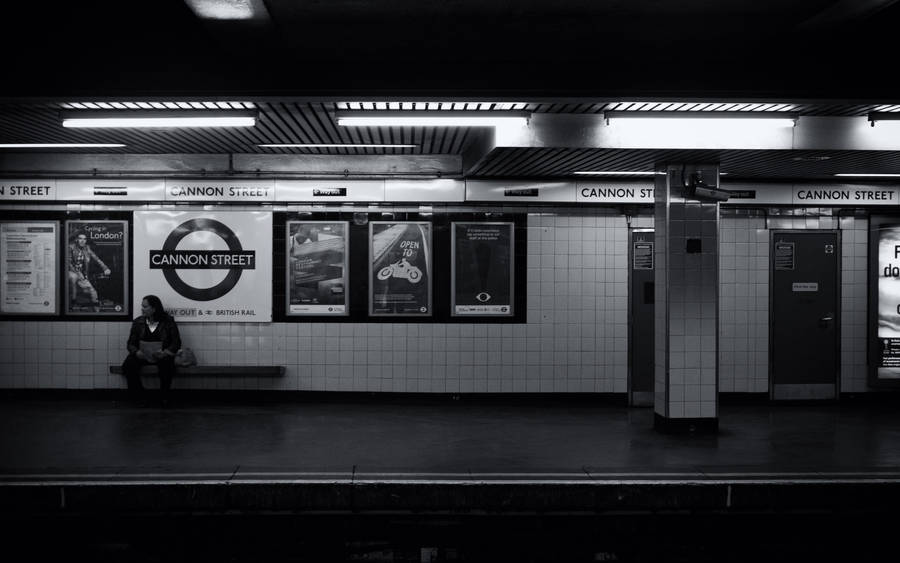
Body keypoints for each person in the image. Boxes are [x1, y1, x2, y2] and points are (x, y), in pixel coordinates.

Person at [122, 295, 181, 406]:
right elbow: (130, 343)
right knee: (128, 365)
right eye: (142, 306)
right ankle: (139, 395)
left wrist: (165, 353)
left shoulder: (168, 321)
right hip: (143, 355)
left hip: (161, 355)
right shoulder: (138, 322)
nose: (142, 309)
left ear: (154, 308)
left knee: (167, 366)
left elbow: (176, 342)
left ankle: (164, 396)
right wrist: (136, 352)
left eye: (145, 307)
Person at [67, 231, 110, 312]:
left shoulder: (87, 248)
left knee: (93, 292)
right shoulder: (71, 247)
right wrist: (77, 273)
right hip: (71, 272)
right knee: (73, 278)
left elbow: (96, 258)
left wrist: (105, 268)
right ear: (76, 240)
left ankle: (97, 312)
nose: (82, 241)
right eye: (80, 239)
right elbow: (68, 262)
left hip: (82, 275)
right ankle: (71, 306)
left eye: (84, 239)